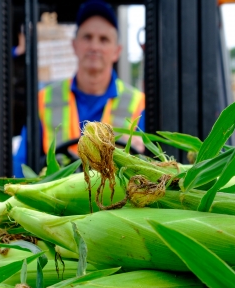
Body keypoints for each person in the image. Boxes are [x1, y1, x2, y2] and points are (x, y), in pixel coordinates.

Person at [13, 0, 145, 177]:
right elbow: (20, 168)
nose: (94, 46)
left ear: (116, 51)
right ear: (74, 45)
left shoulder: (140, 105)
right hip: (56, 202)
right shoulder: (44, 100)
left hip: (118, 203)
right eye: (87, 37)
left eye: (103, 39)